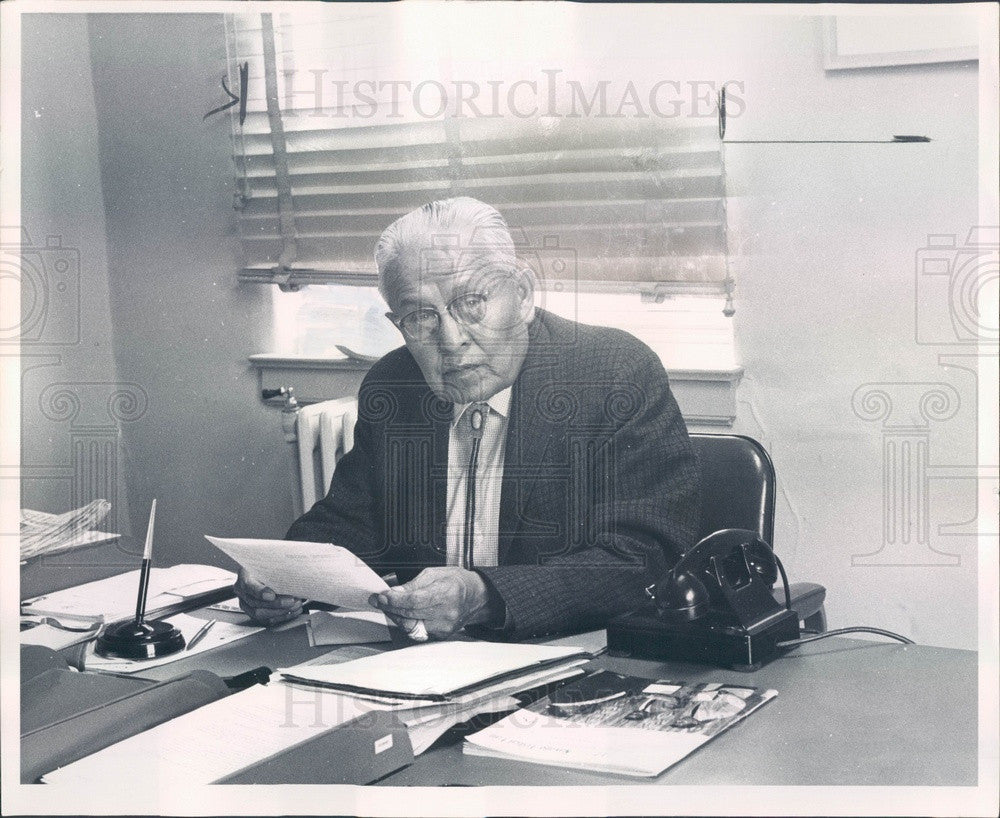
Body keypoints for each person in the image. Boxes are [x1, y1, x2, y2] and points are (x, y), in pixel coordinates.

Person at [235, 197, 700, 640]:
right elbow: (349, 523)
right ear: (398, 323)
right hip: (425, 667)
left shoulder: (615, 374)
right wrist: (282, 574)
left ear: (520, 294)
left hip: (572, 658)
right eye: (420, 316)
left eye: (471, 303)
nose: (451, 339)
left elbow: (644, 559)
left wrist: (486, 597)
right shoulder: (394, 386)